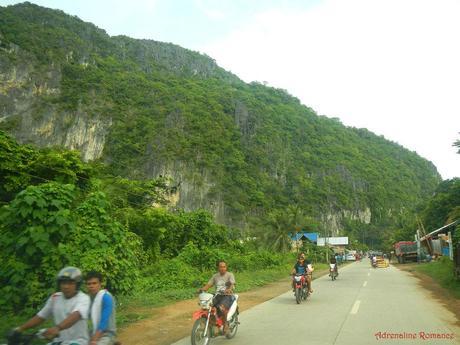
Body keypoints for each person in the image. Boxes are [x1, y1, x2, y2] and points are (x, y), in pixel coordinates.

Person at [13, 266, 90, 345]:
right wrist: (20, 329)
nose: (66, 286)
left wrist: (57, 328)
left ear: (77, 284)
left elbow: (76, 315)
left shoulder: (83, 298)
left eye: (70, 283)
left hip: (77, 342)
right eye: (63, 283)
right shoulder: (55, 297)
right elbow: (41, 317)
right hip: (58, 342)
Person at [199, 260, 236, 334]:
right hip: (217, 295)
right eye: (221, 267)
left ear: (226, 267)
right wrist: (202, 289)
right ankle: (213, 323)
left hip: (227, 296)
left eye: (224, 267)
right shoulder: (215, 276)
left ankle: (225, 325)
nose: (222, 268)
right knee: (208, 307)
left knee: (222, 308)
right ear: (218, 268)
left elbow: (232, 284)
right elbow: (208, 285)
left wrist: (229, 289)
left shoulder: (230, 275)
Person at [86, 271, 117, 345]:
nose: (91, 286)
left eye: (94, 283)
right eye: (89, 284)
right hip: (93, 331)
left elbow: (104, 320)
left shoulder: (106, 297)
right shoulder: (88, 298)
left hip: (107, 333)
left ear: (100, 284)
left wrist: (94, 340)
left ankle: (112, 341)